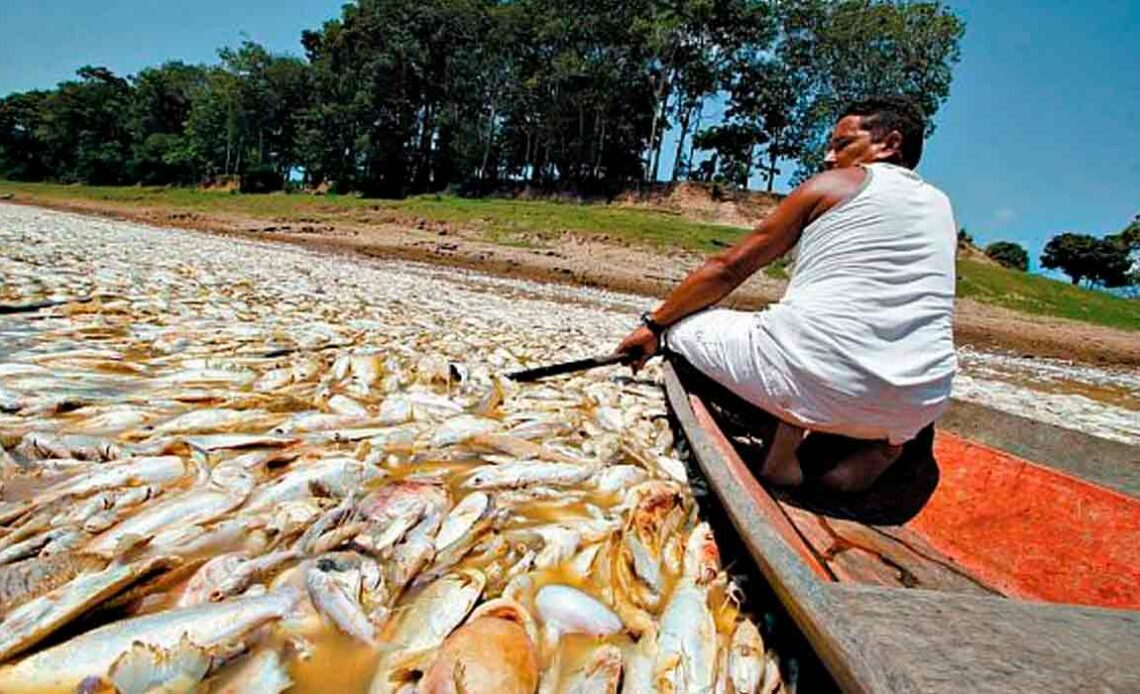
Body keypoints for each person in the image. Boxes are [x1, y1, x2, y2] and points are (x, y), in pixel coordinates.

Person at [616, 96, 957, 493]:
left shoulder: (834, 185)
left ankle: (784, 451)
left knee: (683, 328)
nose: (830, 158)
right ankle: (881, 454)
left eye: (841, 144)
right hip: (919, 400)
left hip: (814, 374)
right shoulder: (941, 206)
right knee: (883, 370)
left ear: (890, 143)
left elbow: (730, 267)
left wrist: (654, 326)